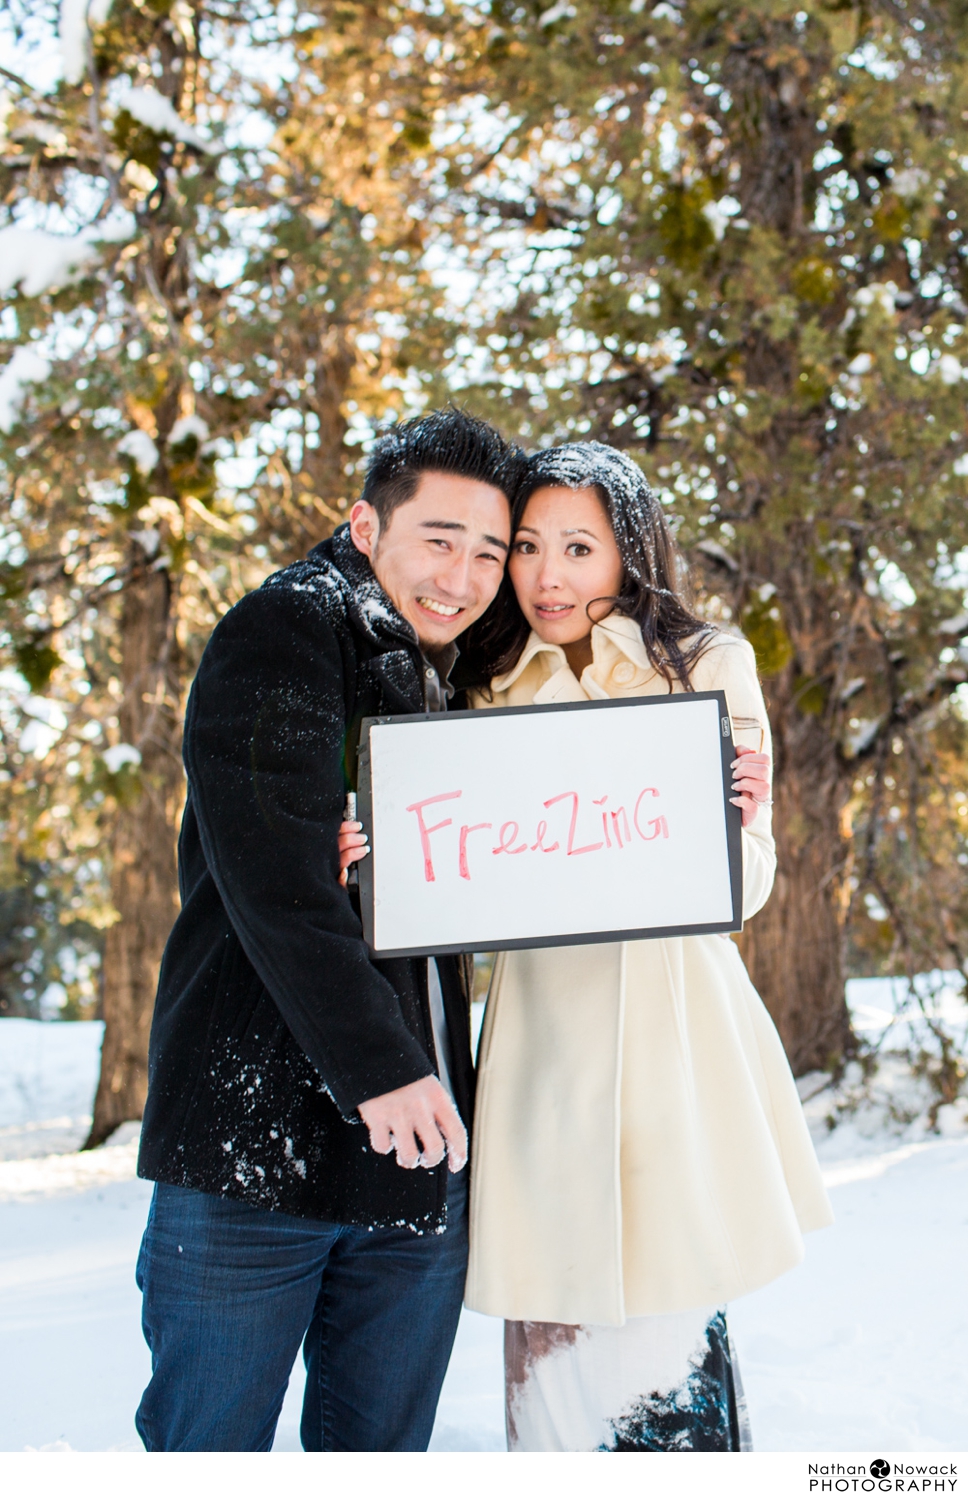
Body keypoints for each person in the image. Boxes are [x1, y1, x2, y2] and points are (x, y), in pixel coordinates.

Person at [340, 441, 834, 1452]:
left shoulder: (703, 664)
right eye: (526, 547)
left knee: (665, 1320)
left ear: (628, 555)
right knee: (556, 1333)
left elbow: (738, 889)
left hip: (671, 1031)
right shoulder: (479, 685)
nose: (547, 576)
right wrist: (374, 850)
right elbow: (453, 872)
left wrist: (739, 820)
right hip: (540, 1049)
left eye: (579, 547)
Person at [134, 407, 524, 1452]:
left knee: (378, 1461)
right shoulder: (291, 626)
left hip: (419, 1166)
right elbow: (273, 878)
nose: (463, 573)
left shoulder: (449, 676)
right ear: (365, 526)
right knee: (204, 1454)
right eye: (437, 539)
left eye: (488, 550)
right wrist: (378, 1069)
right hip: (260, 1152)